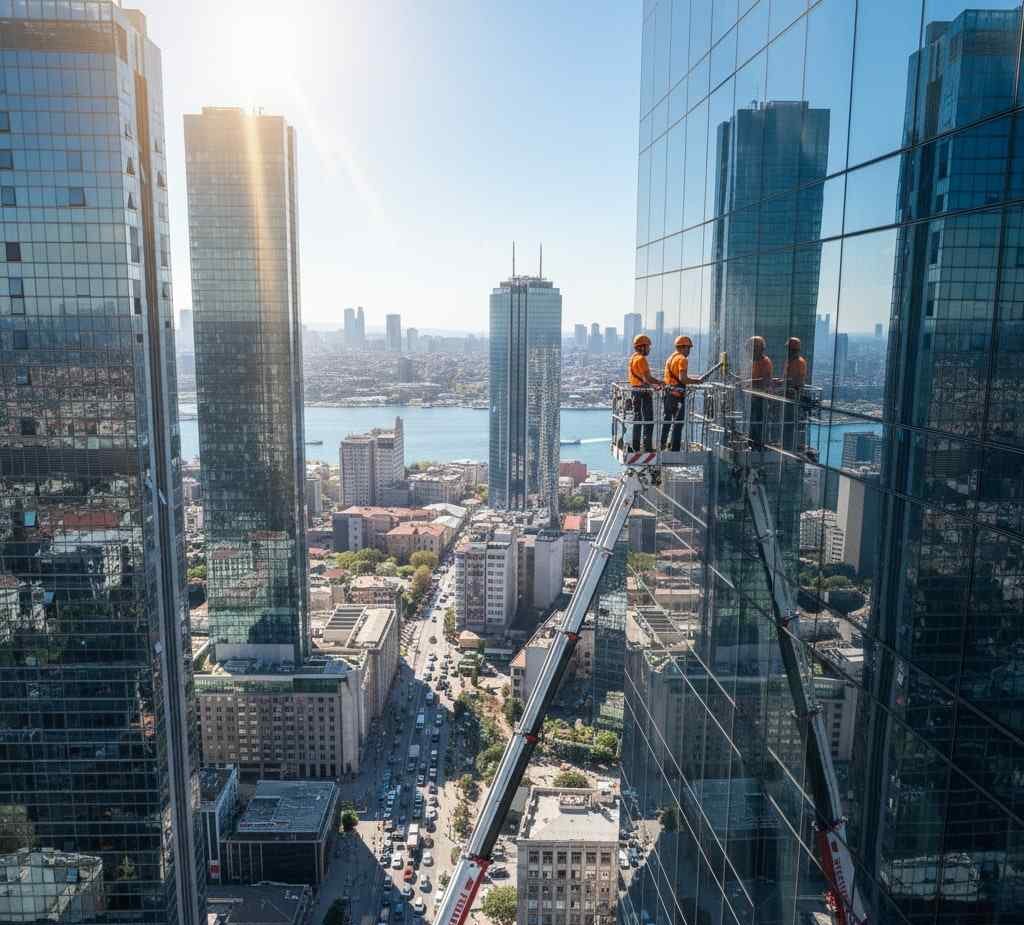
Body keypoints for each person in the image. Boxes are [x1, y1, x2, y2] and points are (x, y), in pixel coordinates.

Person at [661, 335, 708, 451]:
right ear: (683, 347)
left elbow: (678, 377)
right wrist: (696, 381)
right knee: (678, 422)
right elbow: (682, 379)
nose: (689, 351)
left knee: (667, 420)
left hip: (668, 393)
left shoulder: (671, 358)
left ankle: (662, 444)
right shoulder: (682, 359)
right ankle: (674, 448)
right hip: (677, 396)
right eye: (688, 348)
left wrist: (691, 379)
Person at [627, 334, 662, 451]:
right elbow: (648, 378)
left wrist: (652, 385)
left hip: (635, 391)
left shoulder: (633, 357)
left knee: (637, 418)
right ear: (641, 347)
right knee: (648, 420)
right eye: (648, 346)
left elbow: (641, 378)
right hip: (642, 393)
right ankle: (647, 447)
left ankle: (636, 446)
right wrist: (661, 383)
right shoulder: (641, 359)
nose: (649, 349)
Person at [745, 335, 773, 448]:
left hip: (761, 399)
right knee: (753, 423)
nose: (750, 353)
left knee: (759, 424)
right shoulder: (754, 362)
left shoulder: (766, 362)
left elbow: (764, 381)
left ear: (758, 349)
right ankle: (753, 443)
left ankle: (759, 445)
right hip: (755, 398)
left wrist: (748, 382)